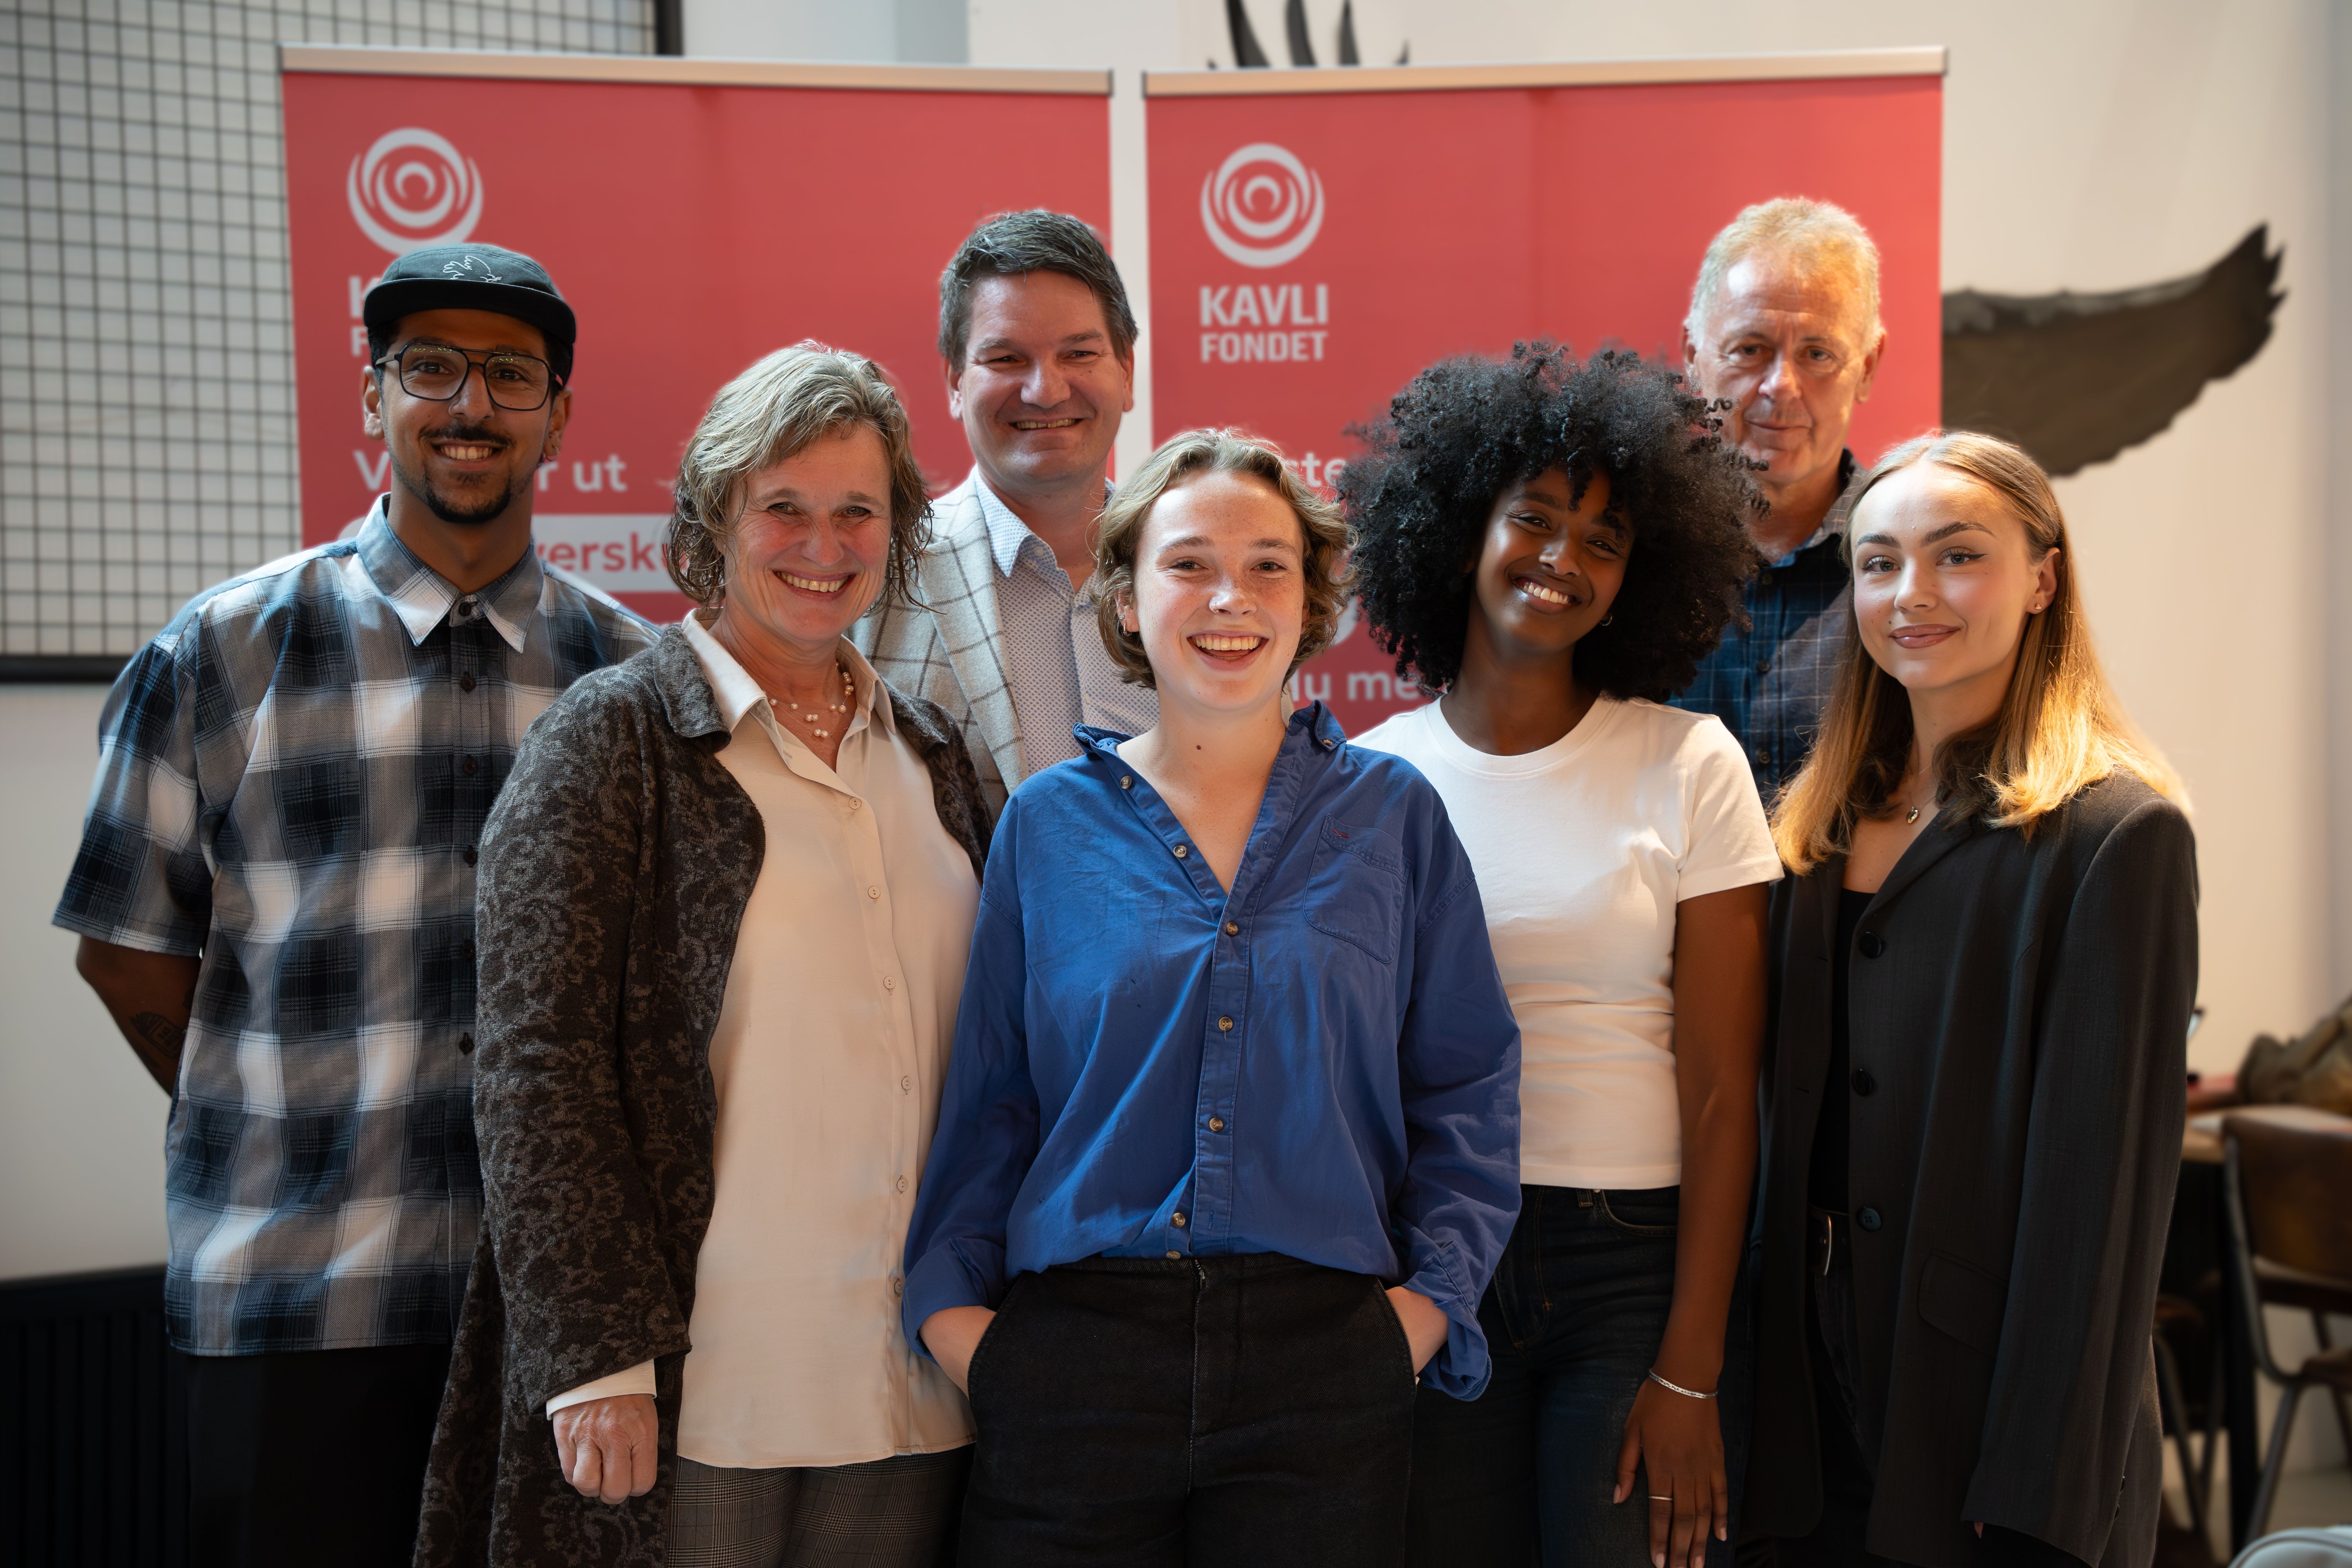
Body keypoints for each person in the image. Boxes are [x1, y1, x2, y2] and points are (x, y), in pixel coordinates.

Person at [53, 242, 651, 1568]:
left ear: (561, 413)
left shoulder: (632, 676)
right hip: (295, 1300)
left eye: (510, 374)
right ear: (370, 398)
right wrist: (282, 1114)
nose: (471, 404)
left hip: (549, 1321)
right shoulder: (219, 654)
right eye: (429, 366)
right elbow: (129, 957)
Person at [412, 343, 995, 1567]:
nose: (820, 544)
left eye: (857, 511)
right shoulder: (610, 742)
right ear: (712, 518)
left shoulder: (937, 756)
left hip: (914, 1379)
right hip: (697, 1385)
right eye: (782, 507)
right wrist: (596, 1356)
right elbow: (537, 1064)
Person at [901, 428, 1523, 1565]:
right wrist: (964, 1333)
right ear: (1128, 603)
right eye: (1187, 563)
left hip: (1325, 1366)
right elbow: (990, 1102)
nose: (1228, 597)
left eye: (1268, 565)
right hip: (1076, 1363)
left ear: (1313, 598)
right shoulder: (1045, 826)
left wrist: (1422, 1315)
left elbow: (1468, 1085)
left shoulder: (1396, 818)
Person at [1341, 345, 1779, 1568]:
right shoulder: (1373, 779)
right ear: (1456, 529)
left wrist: (1692, 1369)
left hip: (1632, 1263)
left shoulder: (1691, 763)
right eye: (1533, 520)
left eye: (1604, 540)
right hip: (1436, 1254)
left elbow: (1722, 1091)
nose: (1563, 561)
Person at [1747, 432, 2195, 1568]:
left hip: (1993, 1433)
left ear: (2044, 578)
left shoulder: (2117, 834)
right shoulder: (1813, 823)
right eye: (1879, 562)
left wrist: (2037, 1486)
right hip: (1803, 1408)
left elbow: (2103, 1216)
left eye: (1958, 558)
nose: (1912, 595)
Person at [855, 207, 1156, 810]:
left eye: (1078, 354)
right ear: (954, 382)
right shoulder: (871, 575)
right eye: (1006, 359)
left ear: (1126, 370)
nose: (1045, 390)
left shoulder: (1205, 574)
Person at [1670, 198, 1889, 798]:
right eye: (1750, 349)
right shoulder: (1623, 555)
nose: (1781, 387)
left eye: (1818, 354)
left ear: (1868, 368)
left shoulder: (1915, 569)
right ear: (1693, 356)